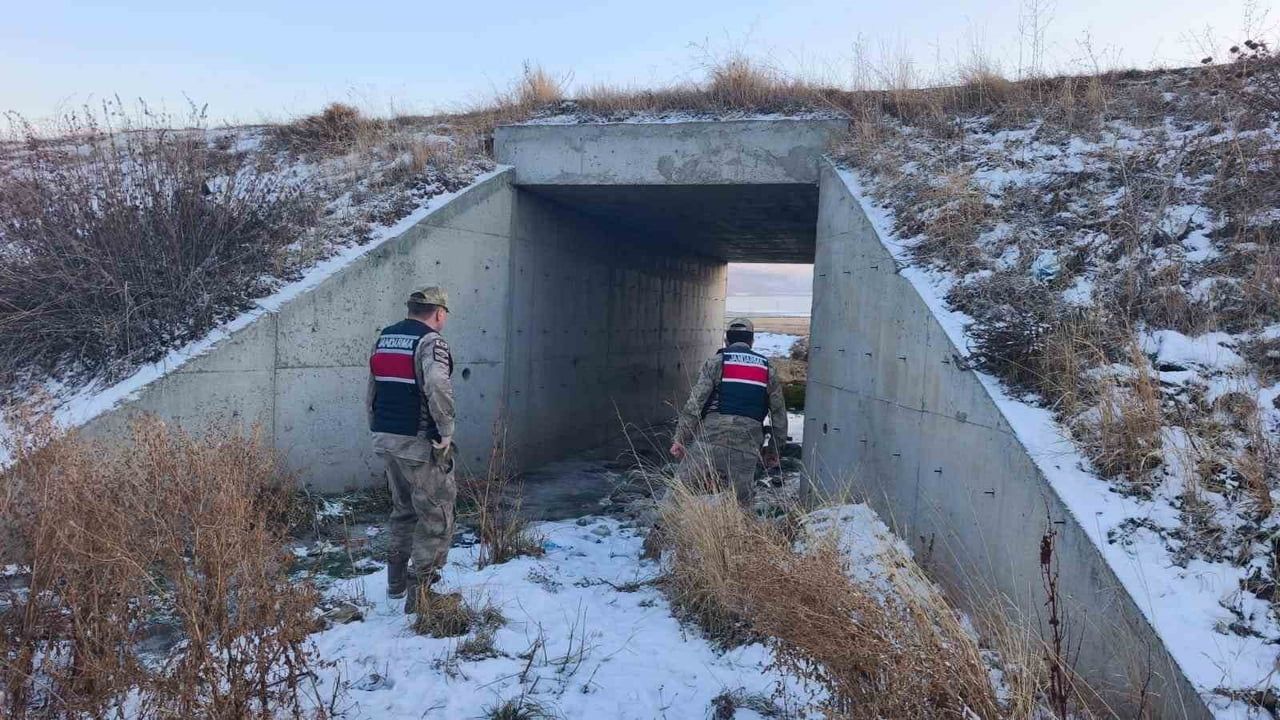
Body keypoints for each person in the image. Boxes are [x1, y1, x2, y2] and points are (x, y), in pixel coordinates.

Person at [367, 286, 456, 614]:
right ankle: (420, 597)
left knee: (403, 510)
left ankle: (395, 585)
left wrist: (378, 428)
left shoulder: (385, 338)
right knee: (436, 514)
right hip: (418, 444)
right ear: (439, 313)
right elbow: (438, 386)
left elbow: (372, 389)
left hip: (386, 438)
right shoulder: (431, 342)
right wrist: (445, 432)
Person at [669, 317, 788, 506]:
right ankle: (736, 534)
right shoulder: (768, 369)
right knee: (741, 504)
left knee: (677, 497)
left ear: (727, 340)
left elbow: (695, 404)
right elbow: (779, 416)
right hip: (747, 445)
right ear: (752, 342)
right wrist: (773, 450)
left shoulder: (717, 362)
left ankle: (663, 532)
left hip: (709, 441)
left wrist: (680, 439)